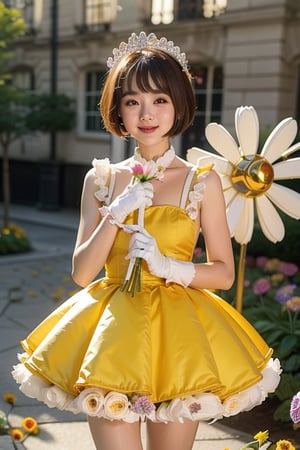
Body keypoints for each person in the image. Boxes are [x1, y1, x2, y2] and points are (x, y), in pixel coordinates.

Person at [12, 31, 281, 450]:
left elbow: (224, 274)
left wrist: (167, 266)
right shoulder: (100, 180)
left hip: (181, 339)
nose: (147, 113)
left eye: (160, 100)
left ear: (178, 105)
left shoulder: (201, 182)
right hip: (112, 337)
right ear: (118, 110)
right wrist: (115, 213)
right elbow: (83, 273)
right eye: (133, 101)